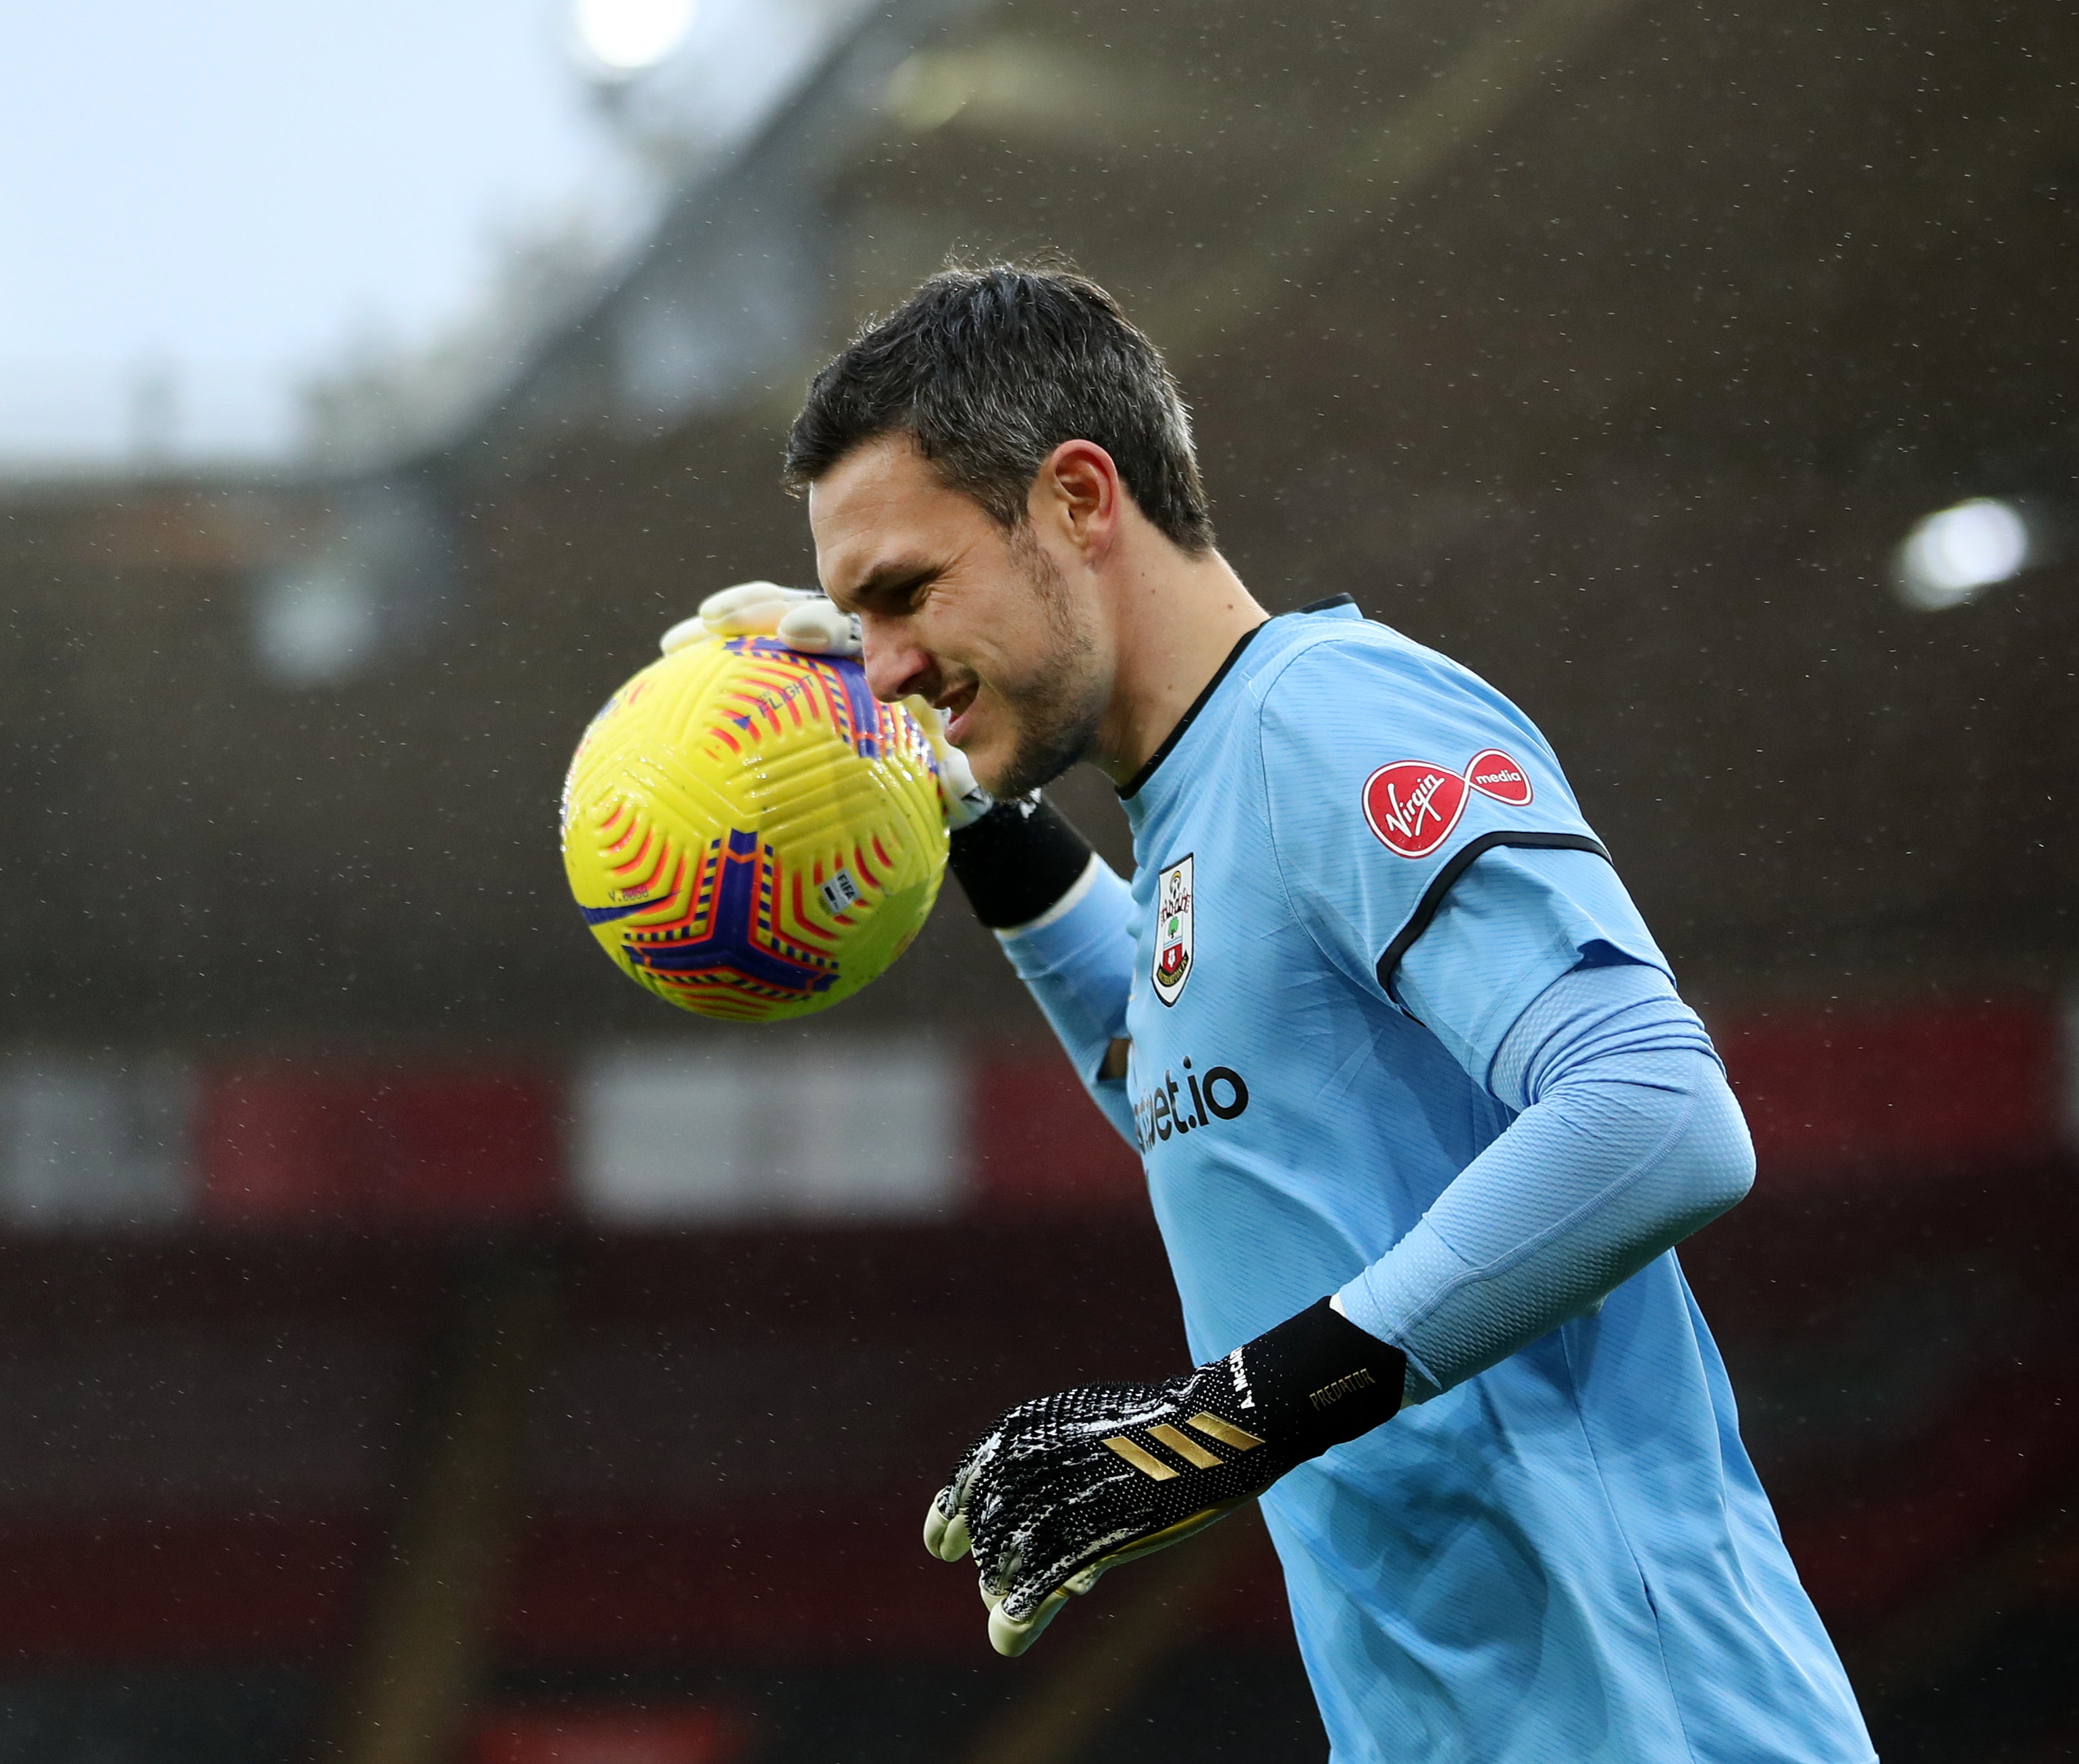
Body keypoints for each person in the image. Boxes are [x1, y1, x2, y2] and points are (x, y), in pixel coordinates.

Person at [772, 263, 1875, 1762]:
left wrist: (1236, 1417)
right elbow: (1221, 1089)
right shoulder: (1195, 806)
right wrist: (972, 814)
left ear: (1081, 501)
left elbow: (1657, 1110)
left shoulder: (1329, 718)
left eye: (906, 592)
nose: (886, 664)